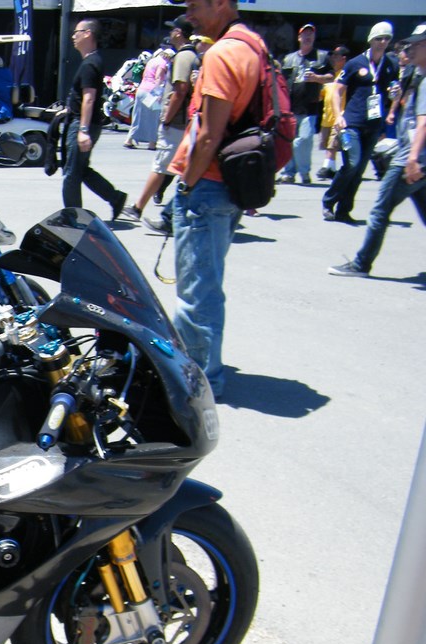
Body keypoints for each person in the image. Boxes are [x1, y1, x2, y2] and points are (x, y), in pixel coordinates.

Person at [166, 0, 264, 402]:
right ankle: (202, 370)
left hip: (207, 185)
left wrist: (187, 185)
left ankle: (200, 382)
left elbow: (208, 134)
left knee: (197, 293)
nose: (189, 14)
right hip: (229, 184)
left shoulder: (224, 53)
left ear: (222, 3)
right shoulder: (253, 44)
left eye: (195, 5)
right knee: (206, 284)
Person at [328, 24, 426, 277]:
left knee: (380, 209)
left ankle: (361, 264)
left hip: (410, 158)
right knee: (354, 166)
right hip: (366, 130)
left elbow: (423, 121)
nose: (410, 49)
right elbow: (338, 89)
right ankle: (334, 203)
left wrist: (412, 157)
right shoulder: (415, 75)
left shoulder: (419, 78)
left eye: (417, 44)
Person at [323, 21, 401, 223]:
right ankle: (328, 201)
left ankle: (344, 210)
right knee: (352, 163)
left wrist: (394, 97)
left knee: (359, 171)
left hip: (373, 125)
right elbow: (337, 90)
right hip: (352, 123)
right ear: (371, 40)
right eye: (379, 38)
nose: (383, 42)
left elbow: (394, 91)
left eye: (387, 39)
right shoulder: (355, 63)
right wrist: (338, 115)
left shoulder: (391, 65)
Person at [122, 16, 196, 223]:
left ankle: (139, 208)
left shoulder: (183, 57)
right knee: (184, 170)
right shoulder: (191, 55)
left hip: (177, 122)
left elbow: (180, 91)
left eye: (173, 30)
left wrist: (167, 119)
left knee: (161, 166)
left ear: (179, 33)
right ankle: (173, 213)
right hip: (185, 122)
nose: (170, 33)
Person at [62, 19, 127, 219]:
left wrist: (82, 130)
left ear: (88, 34)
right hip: (85, 122)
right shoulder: (91, 61)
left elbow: (89, 98)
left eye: (77, 32)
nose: (73, 36)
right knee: (80, 170)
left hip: (83, 125)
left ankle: (74, 219)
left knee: (71, 174)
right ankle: (115, 197)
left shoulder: (90, 64)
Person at [277, 24, 332, 185]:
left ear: (314, 38)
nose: (308, 37)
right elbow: (281, 80)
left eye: (311, 34)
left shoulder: (322, 57)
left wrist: (317, 78)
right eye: (305, 34)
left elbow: (331, 77)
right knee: (288, 140)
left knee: (304, 140)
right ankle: (288, 173)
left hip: (310, 107)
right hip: (290, 107)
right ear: (299, 38)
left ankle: (304, 171)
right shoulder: (289, 58)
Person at [124, 48, 170, 150]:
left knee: (137, 116)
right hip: (150, 93)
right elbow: (158, 78)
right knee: (154, 117)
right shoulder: (162, 63)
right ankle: (152, 143)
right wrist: (158, 93)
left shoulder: (151, 61)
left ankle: (129, 140)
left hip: (141, 90)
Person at [316, 46, 349, 180]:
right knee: (327, 144)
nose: (332, 58)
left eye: (336, 55)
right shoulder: (331, 77)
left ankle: (325, 167)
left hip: (339, 116)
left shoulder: (346, 75)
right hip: (326, 118)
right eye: (332, 55)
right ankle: (332, 169)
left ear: (343, 59)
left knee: (333, 144)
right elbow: (321, 96)